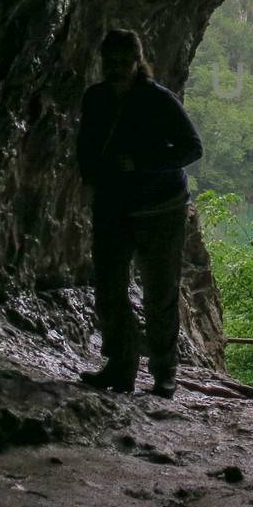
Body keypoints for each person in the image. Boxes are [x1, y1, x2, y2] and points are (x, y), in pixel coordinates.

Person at [76, 28, 203, 398]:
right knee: (108, 288)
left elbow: (192, 148)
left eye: (123, 62)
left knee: (159, 292)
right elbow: (87, 144)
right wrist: (91, 178)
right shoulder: (96, 98)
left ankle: (164, 372)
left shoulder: (158, 100)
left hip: (161, 208)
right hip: (114, 206)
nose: (116, 68)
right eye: (110, 62)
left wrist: (142, 164)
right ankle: (121, 365)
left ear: (137, 62)